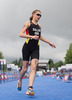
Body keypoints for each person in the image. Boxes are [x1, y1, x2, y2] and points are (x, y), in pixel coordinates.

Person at [17, 9, 56, 96]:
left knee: (33, 67)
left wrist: (49, 42)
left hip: (36, 48)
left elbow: (39, 37)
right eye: (38, 15)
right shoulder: (28, 23)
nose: (39, 17)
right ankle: (20, 80)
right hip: (27, 47)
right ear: (33, 14)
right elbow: (21, 34)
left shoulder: (39, 26)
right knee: (25, 69)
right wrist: (31, 36)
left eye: (40, 15)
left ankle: (30, 88)